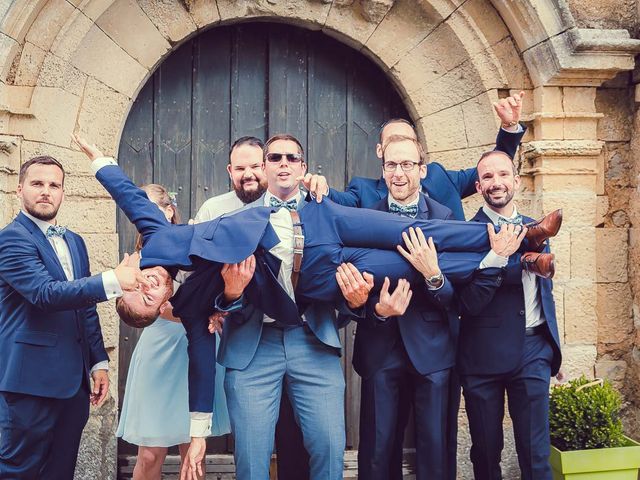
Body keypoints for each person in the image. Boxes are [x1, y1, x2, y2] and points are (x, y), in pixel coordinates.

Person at [73, 135, 560, 478]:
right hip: (320, 275)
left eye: (138, 285)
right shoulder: (196, 309)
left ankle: (523, 238)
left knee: (414, 234)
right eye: (148, 297)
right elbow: (201, 367)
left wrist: (102, 165)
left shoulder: (158, 240)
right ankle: (518, 256)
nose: (149, 286)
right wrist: (198, 432)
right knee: (410, 264)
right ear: (156, 306)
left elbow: (132, 199)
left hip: (321, 225)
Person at [0, 155, 144, 479]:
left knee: (61, 472)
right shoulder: (11, 239)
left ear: (63, 192)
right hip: (29, 385)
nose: (46, 191)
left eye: (54, 185)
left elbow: (84, 307)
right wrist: (113, 280)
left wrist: (97, 362)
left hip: (73, 387)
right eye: (37, 184)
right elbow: (45, 294)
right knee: (17, 473)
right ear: (19, 189)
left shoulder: (75, 241)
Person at [336, 134, 459, 479]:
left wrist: (434, 275)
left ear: (422, 170)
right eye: (391, 165)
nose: (399, 173)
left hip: (432, 351)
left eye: (407, 164)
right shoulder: (362, 219)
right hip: (381, 346)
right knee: (377, 452)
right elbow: (347, 295)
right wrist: (371, 309)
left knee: (435, 450)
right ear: (383, 169)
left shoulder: (445, 217)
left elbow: (456, 296)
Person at [194, 136, 309, 480]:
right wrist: (218, 303)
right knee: (252, 447)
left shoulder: (299, 202)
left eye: (256, 166)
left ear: (268, 167)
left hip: (301, 337)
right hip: (247, 341)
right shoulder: (214, 210)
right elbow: (196, 272)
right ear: (230, 171)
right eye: (240, 168)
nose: (248, 174)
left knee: (299, 438)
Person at [456, 150, 563, 479]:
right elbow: (467, 304)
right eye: (487, 177)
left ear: (516, 181)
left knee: (536, 453)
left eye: (503, 174)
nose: (496, 182)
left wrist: (552, 346)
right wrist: (497, 258)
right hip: (481, 356)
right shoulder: (464, 234)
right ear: (478, 186)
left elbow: (545, 294)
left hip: (533, 351)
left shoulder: (538, 228)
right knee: (486, 453)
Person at [118, 184, 227, 480]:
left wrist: (214, 308)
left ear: (168, 211)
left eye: (149, 207)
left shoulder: (196, 241)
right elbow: (140, 309)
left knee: (191, 450)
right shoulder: (136, 260)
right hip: (159, 353)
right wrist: (195, 312)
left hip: (195, 349)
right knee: (150, 453)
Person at [325, 92, 528, 220]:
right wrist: (320, 188)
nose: (401, 146)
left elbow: (491, 170)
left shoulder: (441, 177)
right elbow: (338, 202)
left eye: (408, 141)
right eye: (394, 140)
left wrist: (509, 127)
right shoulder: (363, 190)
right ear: (380, 151)